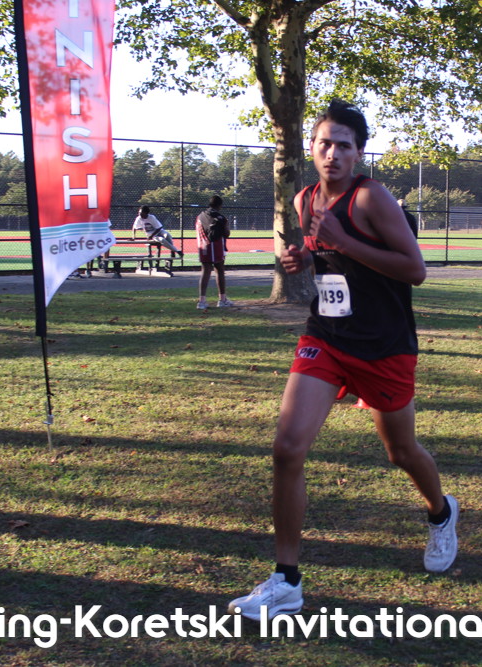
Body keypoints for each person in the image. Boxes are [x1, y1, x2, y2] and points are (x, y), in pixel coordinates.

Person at [228, 100, 458, 621]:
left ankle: (441, 513)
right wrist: (305, 257)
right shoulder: (305, 199)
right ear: (311, 148)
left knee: (400, 450)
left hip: (384, 345)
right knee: (287, 448)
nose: (332, 153)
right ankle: (286, 582)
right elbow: (325, 254)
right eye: (324, 143)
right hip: (327, 336)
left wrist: (344, 242)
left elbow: (415, 270)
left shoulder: (372, 198)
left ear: (359, 154)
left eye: (343, 146)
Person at [194, 196, 233, 310]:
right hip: (216, 247)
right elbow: (226, 234)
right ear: (220, 205)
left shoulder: (200, 216)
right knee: (219, 271)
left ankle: (201, 301)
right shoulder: (220, 218)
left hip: (202, 247)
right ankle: (222, 299)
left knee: (205, 272)